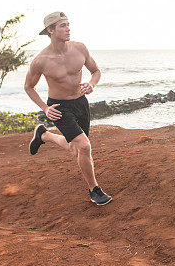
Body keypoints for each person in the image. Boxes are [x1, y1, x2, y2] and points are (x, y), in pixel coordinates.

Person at [24, 11, 112, 205]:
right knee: (85, 146)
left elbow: (95, 71)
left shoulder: (80, 48)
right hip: (59, 107)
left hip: (80, 103)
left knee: (76, 149)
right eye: (62, 26)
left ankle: (44, 135)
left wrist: (92, 84)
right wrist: (45, 109)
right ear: (50, 30)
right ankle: (94, 190)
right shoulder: (41, 61)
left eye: (68, 24)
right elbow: (28, 87)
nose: (68, 29)